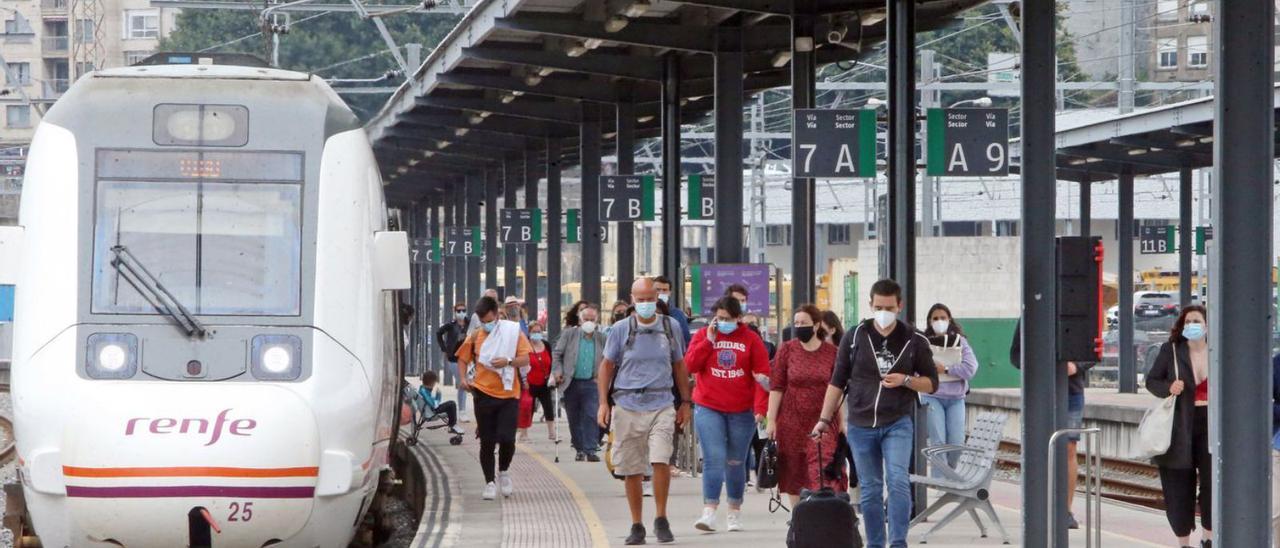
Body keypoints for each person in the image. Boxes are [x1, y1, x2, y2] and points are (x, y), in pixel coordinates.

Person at [812, 279, 937, 548]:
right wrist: (824, 420)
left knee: (898, 481)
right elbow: (837, 381)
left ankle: (898, 541)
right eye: (878, 306)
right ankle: (876, 544)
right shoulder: (855, 336)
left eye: (889, 307)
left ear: (899, 306)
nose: (883, 312)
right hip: (861, 423)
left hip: (897, 422)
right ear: (870, 304)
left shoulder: (914, 340)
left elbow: (931, 382)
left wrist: (905, 380)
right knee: (869, 488)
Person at [597, 277, 692, 545]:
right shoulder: (620, 329)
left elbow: (679, 366)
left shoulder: (670, 327)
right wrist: (603, 403)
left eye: (651, 299)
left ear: (658, 299)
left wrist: (685, 402)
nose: (647, 304)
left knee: (661, 458)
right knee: (631, 468)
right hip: (627, 404)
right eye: (641, 300)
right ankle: (637, 524)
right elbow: (606, 366)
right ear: (632, 299)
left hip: (661, 402)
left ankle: (661, 518)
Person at [684, 296, 770, 532]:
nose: (723, 323)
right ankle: (709, 510)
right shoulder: (704, 335)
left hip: (742, 410)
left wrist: (761, 409)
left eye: (728, 319)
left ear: (739, 318)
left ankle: (734, 510)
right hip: (708, 406)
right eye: (719, 318)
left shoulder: (751, 340)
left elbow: (762, 377)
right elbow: (689, 365)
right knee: (713, 458)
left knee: (735, 461)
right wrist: (708, 343)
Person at [1009, 319, 1094, 529]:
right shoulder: (1030, 314)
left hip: (1071, 390)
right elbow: (1016, 354)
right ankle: (1039, 505)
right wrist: (1037, 363)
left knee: (1069, 448)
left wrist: (1077, 366)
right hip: (1039, 390)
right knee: (1040, 447)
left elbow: (1092, 350)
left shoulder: (1078, 313)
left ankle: (1065, 509)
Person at [1145, 306, 1212, 548]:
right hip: (1179, 424)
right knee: (1178, 484)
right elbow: (1152, 380)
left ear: (1206, 325)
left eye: (1197, 320)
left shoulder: (1217, 351)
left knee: (1211, 481)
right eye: (1188, 321)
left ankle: (1208, 537)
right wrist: (1168, 388)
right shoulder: (1171, 350)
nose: (1192, 324)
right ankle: (1183, 542)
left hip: (1209, 423)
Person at [767, 304, 845, 508]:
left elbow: (838, 389)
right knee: (794, 469)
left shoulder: (832, 353)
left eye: (804, 323)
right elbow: (777, 387)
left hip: (823, 419)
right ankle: (798, 516)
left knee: (822, 466)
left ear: (817, 325)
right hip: (792, 420)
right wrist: (771, 420)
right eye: (796, 323)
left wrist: (843, 422)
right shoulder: (787, 349)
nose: (799, 326)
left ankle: (823, 511)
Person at [455, 295, 532, 501]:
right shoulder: (475, 337)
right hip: (483, 394)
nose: (486, 325)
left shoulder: (512, 333)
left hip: (509, 394)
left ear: (497, 315)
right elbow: (462, 358)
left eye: (489, 321)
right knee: (487, 441)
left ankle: (504, 470)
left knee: (507, 438)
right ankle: (489, 482)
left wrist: (508, 361)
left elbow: (525, 358)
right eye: (483, 322)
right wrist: (463, 379)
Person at [919, 303, 979, 466]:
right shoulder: (923, 343)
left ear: (949, 320)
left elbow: (970, 368)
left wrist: (945, 369)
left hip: (956, 399)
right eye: (935, 318)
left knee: (956, 442)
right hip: (932, 397)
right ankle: (940, 482)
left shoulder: (961, 342)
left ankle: (952, 479)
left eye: (943, 318)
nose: (939, 321)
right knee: (938, 441)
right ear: (929, 321)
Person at [553, 303, 607, 462]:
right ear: (580, 320)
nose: (589, 322)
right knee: (574, 417)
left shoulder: (602, 338)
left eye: (592, 319)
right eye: (586, 319)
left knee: (591, 415)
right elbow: (557, 354)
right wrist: (557, 372)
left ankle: (590, 449)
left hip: (592, 382)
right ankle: (579, 448)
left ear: (597, 320)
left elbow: (608, 359)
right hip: (572, 382)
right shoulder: (569, 334)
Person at [518, 321, 556, 442]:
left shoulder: (546, 345)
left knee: (548, 407)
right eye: (534, 332)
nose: (537, 334)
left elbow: (552, 361)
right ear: (529, 332)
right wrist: (524, 381)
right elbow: (521, 364)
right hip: (529, 383)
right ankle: (524, 434)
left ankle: (552, 432)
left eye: (539, 332)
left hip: (544, 382)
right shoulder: (525, 346)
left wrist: (553, 376)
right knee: (527, 407)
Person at [436, 302, 470, 418]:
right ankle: (462, 411)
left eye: (463, 310)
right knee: (462, 382)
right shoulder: (451, 325)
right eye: (459, 311)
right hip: (454, 358)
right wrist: (444, 348)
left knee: (465, 383)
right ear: (455, 312)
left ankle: (462, 409)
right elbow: (438, 333)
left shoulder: (469, 323)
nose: (461, 313)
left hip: (467, 358)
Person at [418, 370, 466, 435]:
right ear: (431, 382)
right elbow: (434, 404)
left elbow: (432, 402)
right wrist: (438, 395)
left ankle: (453, 425)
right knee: (451, 404)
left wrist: (437, 397)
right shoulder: (424, 391)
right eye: (434, 383)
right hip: (432, 412)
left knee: (450, 406)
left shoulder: (422, 389)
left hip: (430, 410)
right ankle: (453, 425)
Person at [654, 275, 692, 346]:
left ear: (669, 293)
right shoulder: (647, 313)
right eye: (658, 290)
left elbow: (685, 340)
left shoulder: (678, 315)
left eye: (665, 290)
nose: (661, 293)